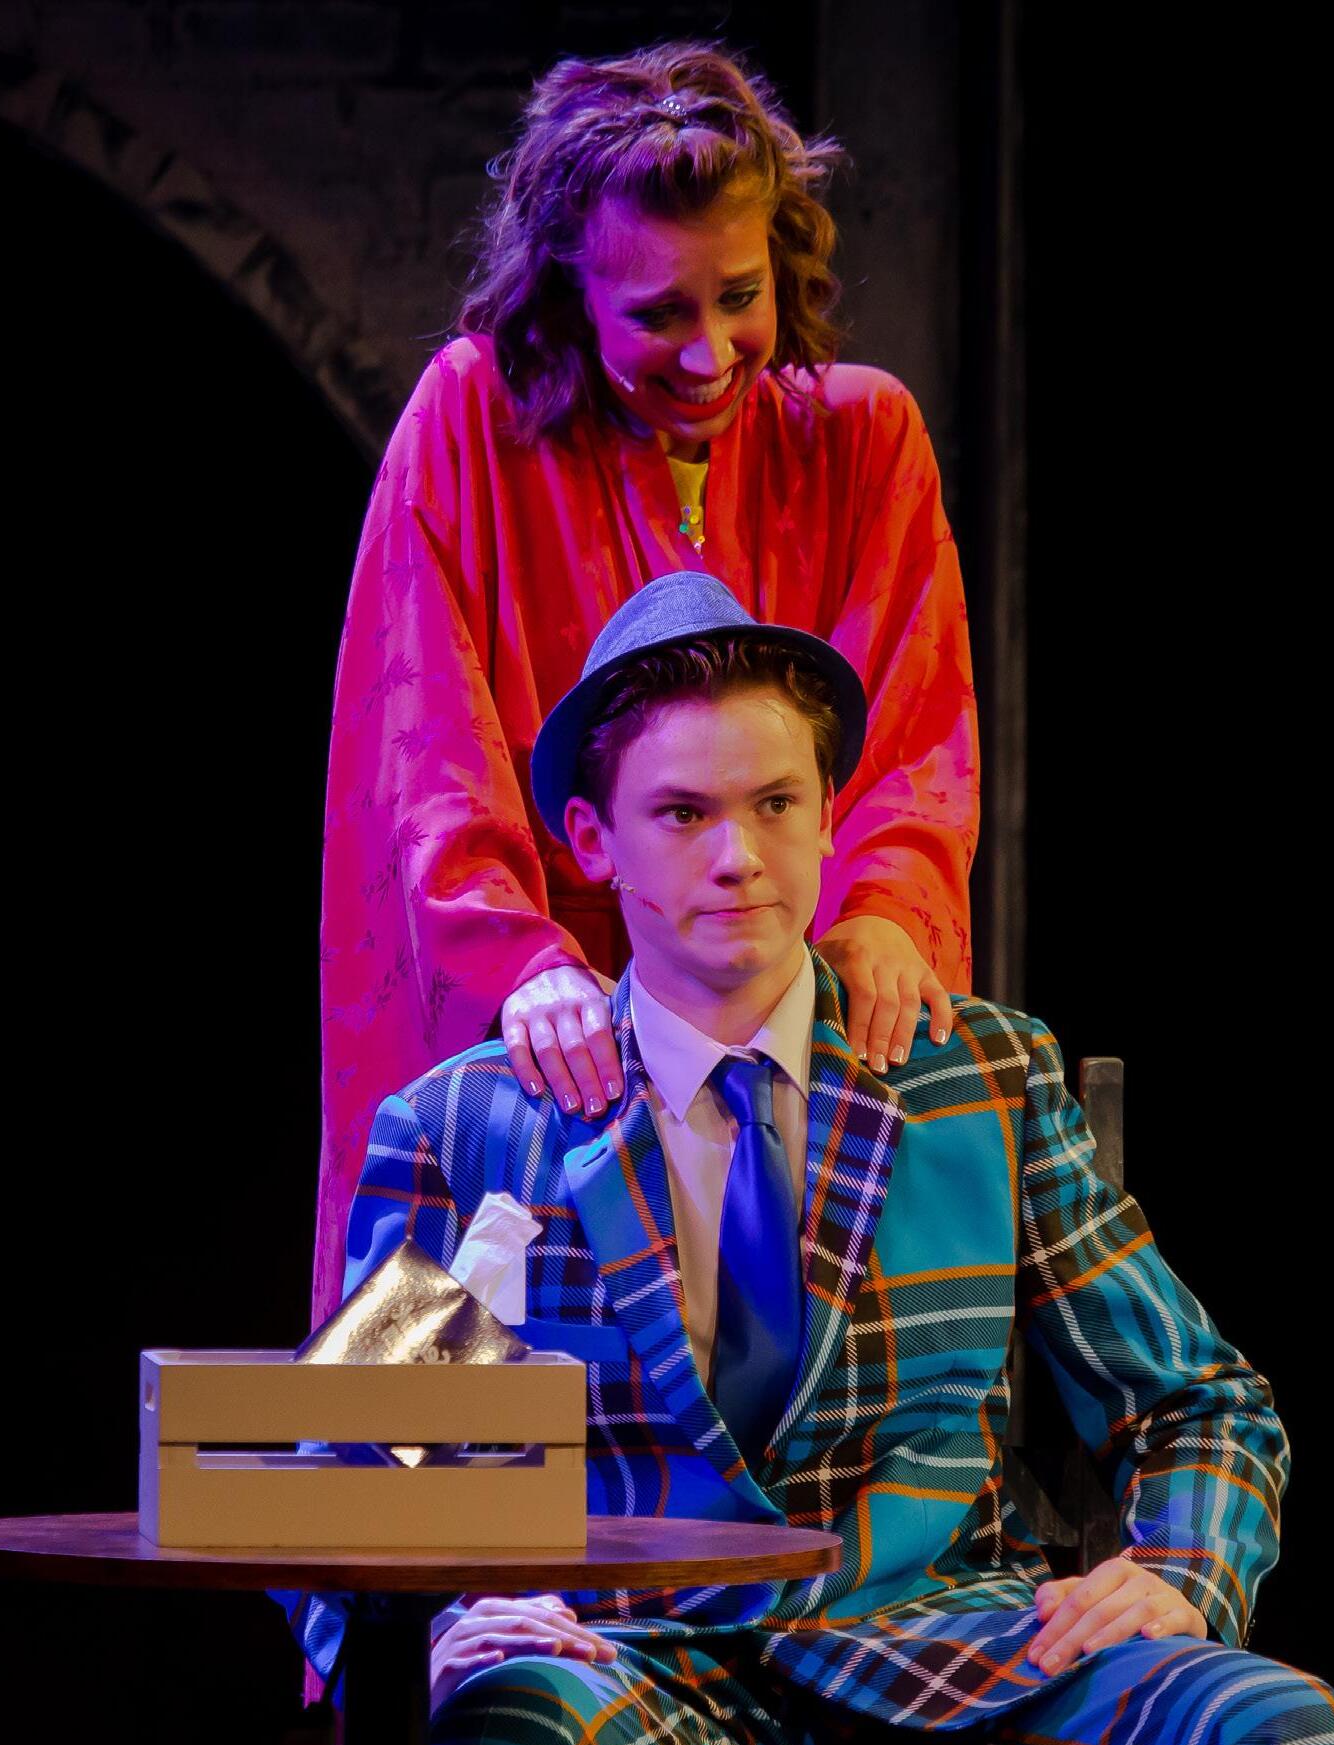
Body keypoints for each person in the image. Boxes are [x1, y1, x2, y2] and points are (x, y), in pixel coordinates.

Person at [297, 573, 1334, 1745]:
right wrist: (439, 1629)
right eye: (682, 813)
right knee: (492, 1744)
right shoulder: (474, 1123)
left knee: (1283, 1742)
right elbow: (337, 1477)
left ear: (826, 815)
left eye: (775, 805)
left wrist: (1183, 1569)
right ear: (593, 841)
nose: (737, 856)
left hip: (960, 1687)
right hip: (640, 1690)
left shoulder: (974, 1079)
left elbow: (1200, 1399)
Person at [314, 39, 980, 1329]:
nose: (710, 352)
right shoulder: (473, 422)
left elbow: (914, 732)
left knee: (795, 1363)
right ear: (570, 292)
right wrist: (518, 964)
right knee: (490, 1378)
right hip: (549, 1036)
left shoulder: (862, 437)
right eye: (660, 313)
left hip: (779, 1012)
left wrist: (887, 909)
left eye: (739, 297)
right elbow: (424, 745)